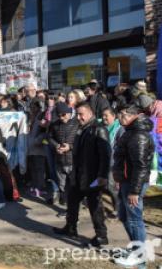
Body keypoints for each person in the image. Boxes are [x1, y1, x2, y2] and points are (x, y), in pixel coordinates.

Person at [53, 102, 110, 248]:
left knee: (95, 207)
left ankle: (101, 236)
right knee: (72, 201)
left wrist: (102, 176)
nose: (78, 117)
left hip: (93, 177)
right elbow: (78, 149)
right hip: (78, 174)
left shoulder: (99, 130)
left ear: (90, 113)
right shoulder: (81, 128)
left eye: (81, 114)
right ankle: (70, 228)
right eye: (77, 114)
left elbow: (106, 155)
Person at [112, 105, 154, 267]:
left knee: (135, 220)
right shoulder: (130, 131)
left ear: (134, 116)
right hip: (126, 181)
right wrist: (119, 177)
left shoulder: (139, 136)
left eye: (123, 114)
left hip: (133, 184)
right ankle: (135, 248)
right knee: (123, 216)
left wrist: (134, 191)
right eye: (119, 114)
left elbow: (141, 166)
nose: (120, 117)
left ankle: (140, 258)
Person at [47, 102, 79, 207]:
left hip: (73, 161)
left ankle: (73, 209)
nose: (61, 117)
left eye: (64, 114)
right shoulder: (54, 124)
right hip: (59, 160)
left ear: (69, 113)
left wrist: (70, 147)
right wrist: (56, 146)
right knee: (63, 186)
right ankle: (68, 209)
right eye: (59, 115)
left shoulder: (77, 123)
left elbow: (82, 141)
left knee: (74, 187)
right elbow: (49, 137)